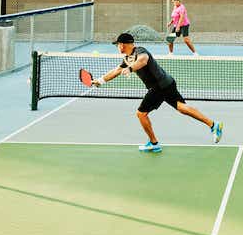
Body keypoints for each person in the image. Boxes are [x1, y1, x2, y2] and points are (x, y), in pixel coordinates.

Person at [93, 32, 222, 153]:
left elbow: (143, 60)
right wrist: (100, 80)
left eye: (118, 44)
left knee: (141, 114)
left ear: (123, 44)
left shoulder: (139, 51)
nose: (117, 47)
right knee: (182, 107)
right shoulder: (127, 58)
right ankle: (213, 124)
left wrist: (130, 69)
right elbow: (116, 71)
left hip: (158, 86)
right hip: (168, 82)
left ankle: (154, 144)